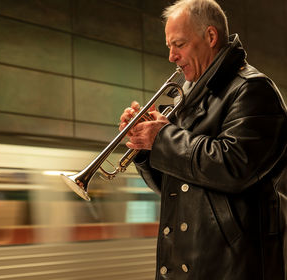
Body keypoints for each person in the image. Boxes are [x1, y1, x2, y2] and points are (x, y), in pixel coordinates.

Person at [119, 0, 287, 279]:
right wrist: (144, 148)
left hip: (231, 265)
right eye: (169, 47)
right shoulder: (188, 96)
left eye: (179, 44)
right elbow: (174, 185)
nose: (172, 56)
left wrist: (163, 139)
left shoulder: (252, 90)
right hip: (188, 261)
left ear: (210, 37)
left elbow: (234, 166)